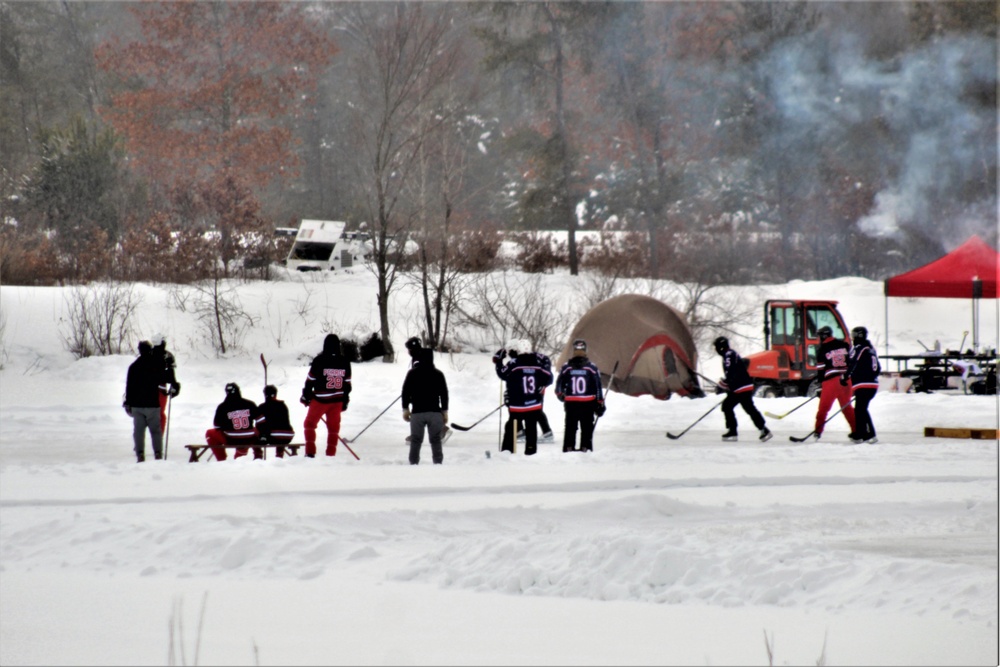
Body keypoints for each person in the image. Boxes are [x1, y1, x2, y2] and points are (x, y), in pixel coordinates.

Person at [493, 338, 552, 455]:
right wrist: (541, 385)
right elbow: (548, 378)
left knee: (511, 427)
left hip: (518, 405)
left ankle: (507, 451)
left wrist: (498, 362)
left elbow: (502, 374)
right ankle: (531, 451)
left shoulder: (514, 363)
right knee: (531, 428)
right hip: (533, 404)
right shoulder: (537, 362)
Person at [301, 333, 352, 458]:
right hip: (337, 401)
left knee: (309, 424)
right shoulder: (345, 361)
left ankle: (310, 452)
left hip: (320, 400)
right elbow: (347, 385)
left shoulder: (319, 360)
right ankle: (331, 454)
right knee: (333, 429)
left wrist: (306, 396)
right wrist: (345, 400)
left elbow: (310, 380)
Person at [714, 336, 771, 442]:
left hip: (740, 387)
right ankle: (764, 429)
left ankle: (733, 432)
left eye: (717, 347)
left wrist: (722, 386)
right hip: (743, 386)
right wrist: (726, 385)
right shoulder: (731, 354)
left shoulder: (728, 356)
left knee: (727, 406)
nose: (716, 350)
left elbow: (731, 373)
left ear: (721, 347)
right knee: (749, 408)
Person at [555, 339, 605, 452]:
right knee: (587, 428)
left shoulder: (567, 367)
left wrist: (560, 395)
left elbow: (559, 384)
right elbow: (598, 386)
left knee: (570, 428)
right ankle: (585, 448)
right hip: (587, 403)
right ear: (585, 350)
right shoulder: (591, 367)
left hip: (571, 403)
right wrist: (600, 402)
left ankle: (568, 448)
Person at [401, 347, 450, 465]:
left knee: (416, 440)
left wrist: (406, 409)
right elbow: (444, 394)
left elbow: (405, 392)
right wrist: (444, 411)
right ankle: (438, 464)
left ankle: (413, 464)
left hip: (417, 412)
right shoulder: (438, 374)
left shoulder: (412, 374)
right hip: (434, 412)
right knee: (435, 440)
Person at [810, 325, 857, 441]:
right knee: (847, 408)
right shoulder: (845, 345)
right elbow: (852, 361)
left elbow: (821, 369)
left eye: (820, 336)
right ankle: (857, 431)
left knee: (823, 409)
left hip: (831, 381)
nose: (819, 338)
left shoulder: (822, 349)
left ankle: (817, 432)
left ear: (824, 336)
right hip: (846, 380)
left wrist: (820, 386)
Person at [123, 340, 166, 462]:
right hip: (152, 404)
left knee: (138, 431)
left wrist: (128, 402)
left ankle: (140, 453)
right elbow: (163, 377)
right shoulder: (155, 365)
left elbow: (129, 387)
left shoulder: (133, 367)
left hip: (137, 405)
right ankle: (158, 453)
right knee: (156, 431)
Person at [842, 326, 880, 444]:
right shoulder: (871, 349)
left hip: (863, 384)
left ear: (859, 335)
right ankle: (861, 432)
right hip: (872, 384)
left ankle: (869, 434)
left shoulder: (860, 348)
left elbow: (854, 362)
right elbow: (878, 368)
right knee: (860, 409)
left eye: (853, 335)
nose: (852, 338)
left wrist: (846, 376)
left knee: (861, 409)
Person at [205, 382, 261, 460]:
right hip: (248, 439)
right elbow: (260, 420)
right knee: (253, 430)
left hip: (230, 439)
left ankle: (221, 459)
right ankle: (241, 454)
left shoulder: (222, 406)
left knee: (209, 433)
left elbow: (217, 425)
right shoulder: (250, 404)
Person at [150, 333, 180, 433]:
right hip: (160, 390)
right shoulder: (167, 355)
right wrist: (174, 385)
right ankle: (158, 436)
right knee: (160, 414)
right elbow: (171, 374)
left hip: (148, 389)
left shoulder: (148, 354)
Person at [256, 385, 296, 457]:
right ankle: (279, 454)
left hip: (273, 436)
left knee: (256, 435)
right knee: (279, 433)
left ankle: (258, 455)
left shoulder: (262, 407)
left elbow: (259, 424)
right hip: (288, 435)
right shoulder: (283, 405)